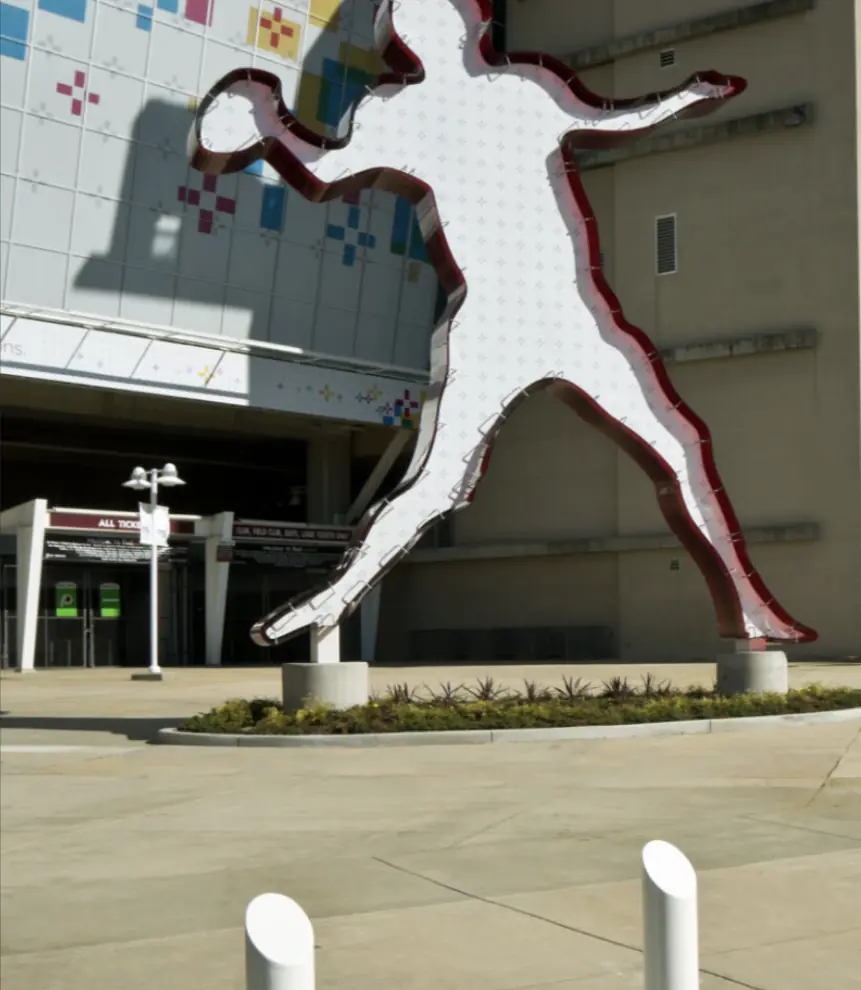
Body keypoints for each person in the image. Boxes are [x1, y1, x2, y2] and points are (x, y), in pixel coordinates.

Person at [192, 0, 813, 648]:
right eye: (423, 17)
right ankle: (332, 600)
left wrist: (681, 99)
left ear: (471, 26)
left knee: (679, 444)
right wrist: (271, 125)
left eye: (447, 14)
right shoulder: (396, 111)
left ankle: (746, 608)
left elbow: (609, 121)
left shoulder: (524, 87)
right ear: (406, 36)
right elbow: (324, 172)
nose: (443, 24)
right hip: (497, 323)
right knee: (436, 485)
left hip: (573, 316)